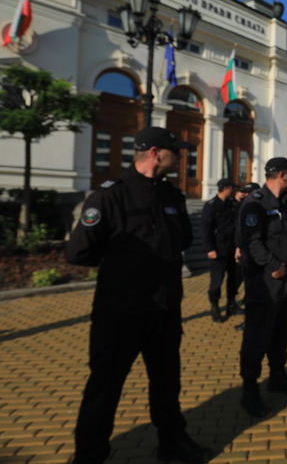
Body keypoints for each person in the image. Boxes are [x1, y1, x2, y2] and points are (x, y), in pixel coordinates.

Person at [65, 126, 210, 464]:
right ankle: (89, 455)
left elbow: (184, 239)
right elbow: (78, 252)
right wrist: (126, 266)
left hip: (164, 309)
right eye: (176, 150)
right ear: (156, 153)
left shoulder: (173, 196)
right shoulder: (109, 195)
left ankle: (173, 444)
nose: (181, 155)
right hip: (120, 313)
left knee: (166, 383)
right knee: (105, 387)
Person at [237, 158, 287, 417]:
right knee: (257, 335)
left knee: (283, 331)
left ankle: (277, 376)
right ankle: (249, 389)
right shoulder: (254, 203)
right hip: (265, 281)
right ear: (282, 174)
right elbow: (252, 243)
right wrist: (273, 264)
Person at [202, 178, 238, 322]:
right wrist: (210, 248)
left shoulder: (232, 204)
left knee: (233, 279)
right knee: (217, 280)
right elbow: (205, 229)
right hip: (218, 248)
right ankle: (215, 307)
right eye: (233, 188)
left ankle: (231, 304)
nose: (235, 190)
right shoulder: (211, 205)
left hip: (232, 247)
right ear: (226, 188)